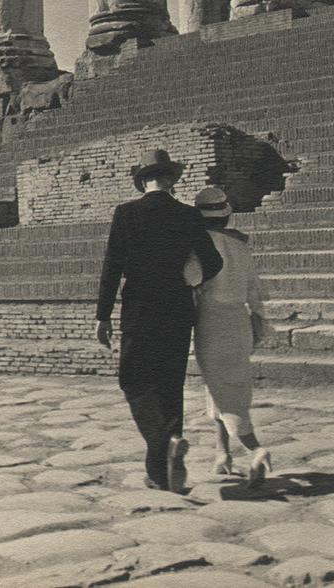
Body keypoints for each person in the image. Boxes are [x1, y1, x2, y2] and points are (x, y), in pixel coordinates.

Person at [95, 148, 223, 492]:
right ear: (170, 180)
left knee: (134, 381)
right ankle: (163, 473)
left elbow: (112, 267)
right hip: (178, 309)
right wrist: (188, 277)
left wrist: (103, 315)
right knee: (170, 385)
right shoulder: (188, 215)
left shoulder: (126, 214)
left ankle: (162, 442)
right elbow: (212, 263)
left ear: (143, 181)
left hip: (140, 308)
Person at [186, 185, 271, 486]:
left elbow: (191, 279)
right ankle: (223, 454)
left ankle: (255, 450)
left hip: (212, 322)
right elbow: (255, 291)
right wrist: (259, 322)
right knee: (222, 386)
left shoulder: (199, 246)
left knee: (225, 391)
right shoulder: (241, 246)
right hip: (239, 320)